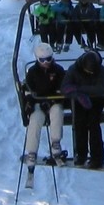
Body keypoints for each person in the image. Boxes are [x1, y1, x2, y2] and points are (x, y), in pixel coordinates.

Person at [19, 42, 68, 174]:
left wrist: (52, 100)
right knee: (35, 120)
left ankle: (55, 143)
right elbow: (29, 92)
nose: (46, 62)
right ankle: (31, 151)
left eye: (48, 59)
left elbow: (61, 90)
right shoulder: (32, 72)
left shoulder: (58, 71)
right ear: (37, 59)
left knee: (57, 112)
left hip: (54, 102)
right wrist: (29, 105)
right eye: (42, 60)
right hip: (38, 104)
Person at [65, 47, 104, 169]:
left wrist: (80, 89)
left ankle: (97, 158)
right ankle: (81, 154)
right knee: (80, 123)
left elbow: (100, 89)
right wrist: (78, 94)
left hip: (95, 101)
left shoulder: (100, 70)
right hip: (79, 101)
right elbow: (66, 86)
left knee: (94, 124)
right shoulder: (74, 69)